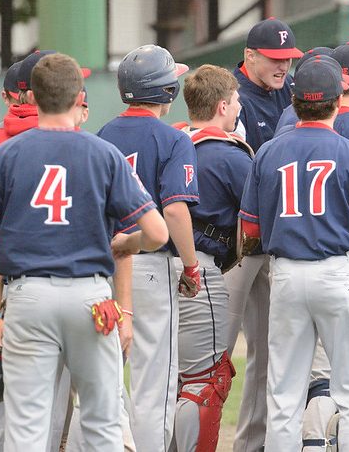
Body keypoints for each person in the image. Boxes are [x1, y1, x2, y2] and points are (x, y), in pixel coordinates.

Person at [0, 52, 169, 451]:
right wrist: (127, 243)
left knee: (26, 428)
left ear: (33, 96)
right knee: (101, 423)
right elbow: (156, 233)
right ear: (79, 96)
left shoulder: (4, 155)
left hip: (27, 297)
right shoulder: (103, 153)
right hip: (90, 299)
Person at [239, 54, 349, 452]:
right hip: (337, 272)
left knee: (284, 391)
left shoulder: (269, 152)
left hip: (287, 272)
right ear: (337, 100)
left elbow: (251, 230)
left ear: (294, 102)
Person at [98, 44, 201, 452]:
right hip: (151, 260)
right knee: (154, 381)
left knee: (109, 370)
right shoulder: (172, 138)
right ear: (166, 93)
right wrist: (191, 266)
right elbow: (174, 212)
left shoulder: (103, 134)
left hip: (108, 266)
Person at [228, 17, 303, 452]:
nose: (283, 67)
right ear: (250, 56)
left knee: (271, 353)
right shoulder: (230, 97)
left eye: (288, 59)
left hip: (277, 244)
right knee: (216, 360)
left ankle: (253, 444)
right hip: (235, 243)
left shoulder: (290, 93)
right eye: (275, 60)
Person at [173, 64, 252, 452]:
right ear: (222, 106)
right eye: (236, 101)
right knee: (206, 380)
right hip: (197, 266)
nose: (239, 108)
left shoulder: (168, 139)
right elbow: (258, 219)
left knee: (164, 380)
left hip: (146, 265)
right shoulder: (228, 154)